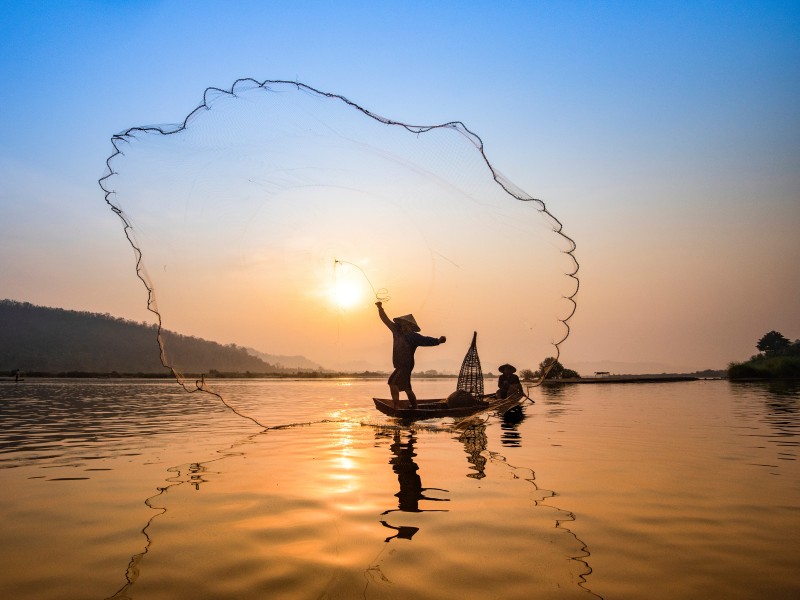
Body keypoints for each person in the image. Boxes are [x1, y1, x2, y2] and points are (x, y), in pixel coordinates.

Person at [376, 301, 446, 408]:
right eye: (402, 323)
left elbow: (426, 340)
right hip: (400, 365)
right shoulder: (396, 331)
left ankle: (396, 406)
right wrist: (380, 308)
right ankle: (414, 407)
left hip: (406, 365)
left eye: (406, 323)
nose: (403, 325)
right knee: (406, 388)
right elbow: (385, 320)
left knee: (393, 383)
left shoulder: (413, 336)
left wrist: (438, 341)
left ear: (410, 325)